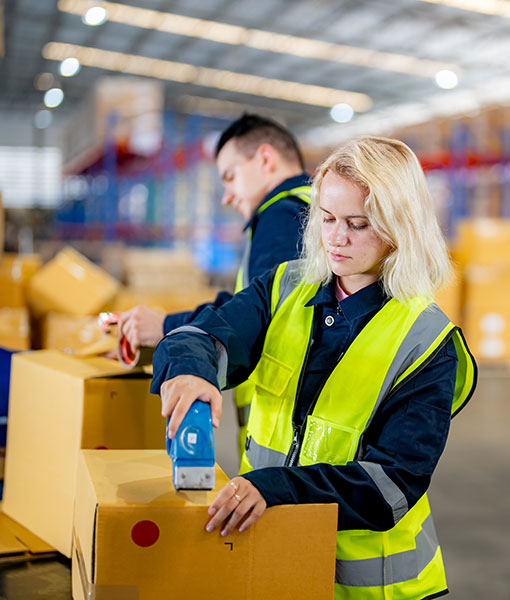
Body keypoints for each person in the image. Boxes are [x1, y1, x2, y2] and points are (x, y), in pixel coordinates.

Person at [151, 136, 477, 599]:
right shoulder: (285, 288)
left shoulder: (425, 342)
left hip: (375, 589)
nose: (336, 238)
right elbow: (205, 334)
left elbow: (393, 484)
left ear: (400, 226)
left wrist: (278, 487)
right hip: (273, 563)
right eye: (327, 218)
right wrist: (190, 369)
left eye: (358, 224)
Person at [119, 114, 311, 452]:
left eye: (229, 177)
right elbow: (248, 301)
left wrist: (167, 327)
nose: (226, 196)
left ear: (266, 159)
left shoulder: (281, 217)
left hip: (290, 436)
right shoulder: (305, 210)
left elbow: (257, 315)